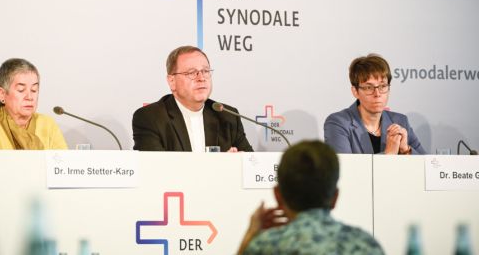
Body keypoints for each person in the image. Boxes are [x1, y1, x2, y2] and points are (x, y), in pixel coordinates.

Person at [237, 140, 384, 254]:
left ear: (278, 196)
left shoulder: (265, 246)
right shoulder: (364, 244)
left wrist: (250, 236)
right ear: (335, 197)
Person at [132, 46, 253, 152]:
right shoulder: (150, 118)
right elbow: (154, 168)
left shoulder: (227, 116)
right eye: (191, 72)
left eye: (205, 71)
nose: (201, 78)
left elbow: (251, 164)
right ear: (172, 81)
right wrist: (221, 165)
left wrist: (239, 161)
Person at [324, 54, 426, 154]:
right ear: (355, 91)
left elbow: (427, 165)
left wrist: (406, 150)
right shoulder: (338, 123)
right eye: (369, 87)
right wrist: (388, 154)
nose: (377, 94)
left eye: (382, 86)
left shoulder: (400, 121)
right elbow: (343, 169)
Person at [0, 58, 68, 150]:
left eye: (34, 90)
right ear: (2, 94)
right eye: (21, 90)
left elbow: (63, 164)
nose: (30, 97)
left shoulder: (48, 124)